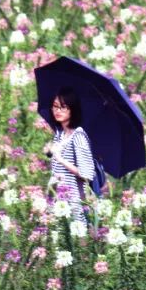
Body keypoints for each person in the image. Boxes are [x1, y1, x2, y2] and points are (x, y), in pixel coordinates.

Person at [43, 87, 96, 224]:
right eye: (55, 107)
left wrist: (60, 159)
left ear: (73, 109)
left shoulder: (78, 136)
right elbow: (57, 167)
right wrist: (50, 153)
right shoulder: (60, 135)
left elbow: (86, 173)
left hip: (72, 203)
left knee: (75, 240)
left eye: (63, 107)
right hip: (56, 200)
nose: (57, 111)